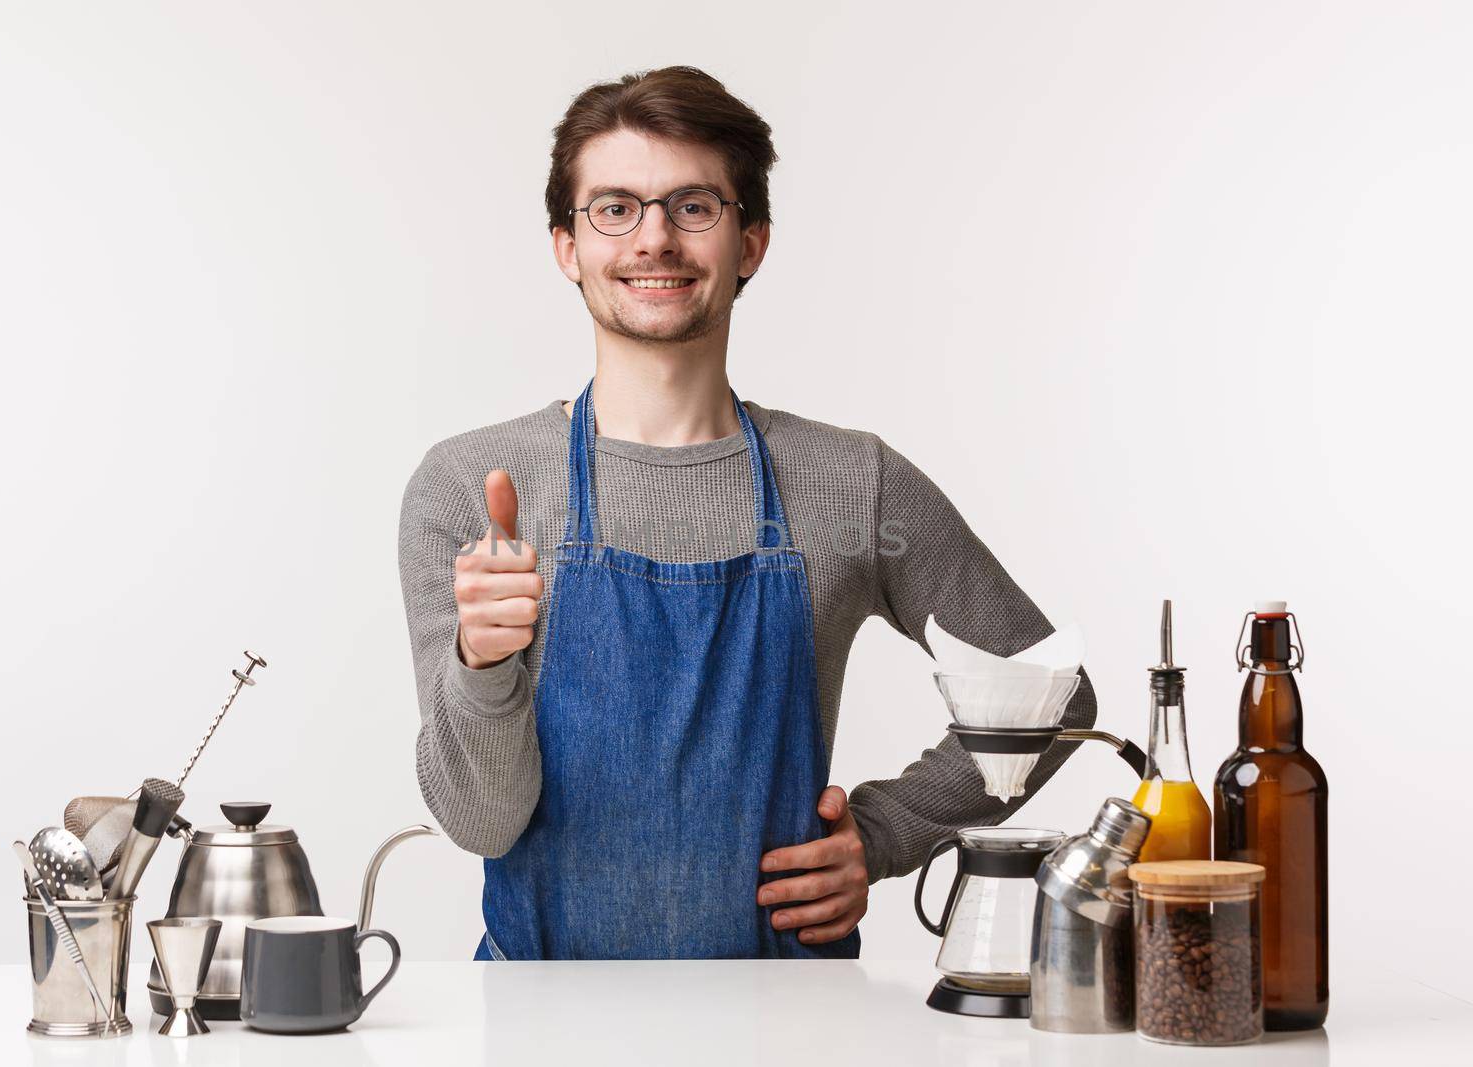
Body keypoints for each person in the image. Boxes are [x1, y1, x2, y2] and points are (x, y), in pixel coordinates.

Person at [398, 65, 1096, 961]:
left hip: (789, 1022)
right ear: (567, 246)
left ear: (752, 241)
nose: (654, 238)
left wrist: (884, 832)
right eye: (614, 208)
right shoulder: (469, 488)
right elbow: (481, 825)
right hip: (542, 1020)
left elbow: (1055, 691)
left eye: (694, 207)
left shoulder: (851, 484)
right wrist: (482, 661)